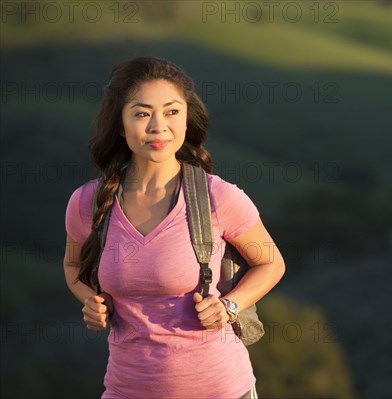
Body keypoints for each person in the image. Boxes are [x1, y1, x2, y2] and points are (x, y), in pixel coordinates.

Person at [62, 56, 285, 399]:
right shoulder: (88, 202)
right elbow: (73, 266)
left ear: (186, 118)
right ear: (120, 125)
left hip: (221, 389)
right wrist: (91, 302)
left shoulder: (218, 197)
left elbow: (271, 263)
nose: (158, 126)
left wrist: (230, 307)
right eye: (141, 113)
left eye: (171, 111)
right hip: (126, 390)